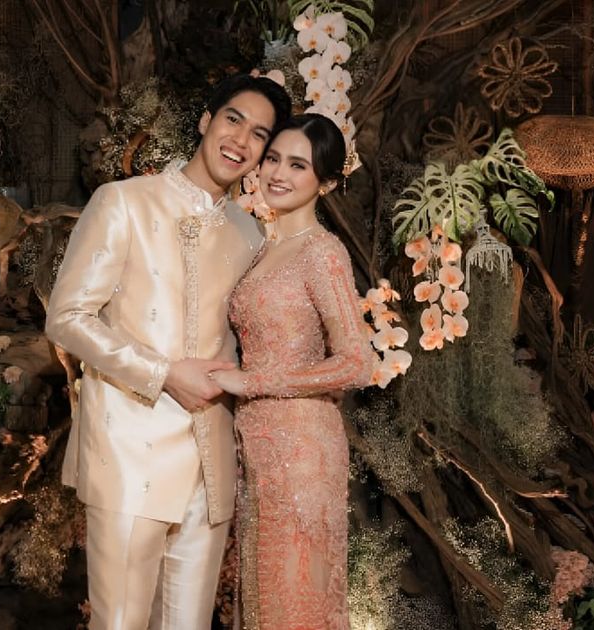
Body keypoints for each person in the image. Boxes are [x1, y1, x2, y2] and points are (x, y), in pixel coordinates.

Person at [44, 75, 291, 630]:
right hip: (130, 449)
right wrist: (163, 373)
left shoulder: (251, 235)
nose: (241, 140)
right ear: (205, 120)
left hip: (211, 460)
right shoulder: (124, 202)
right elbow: (67, 317)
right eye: (232, 119)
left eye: (259, 134)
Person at [209, 113, 376, 629]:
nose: (278, 173)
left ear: (326, 183)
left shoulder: (322, 253)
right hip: (259, 444)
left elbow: (358, 362)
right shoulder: (264, 246)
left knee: (294, 602)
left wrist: (251, 382)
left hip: (303, 450)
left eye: (298, 165)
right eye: (274, 159)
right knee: (263, 600)